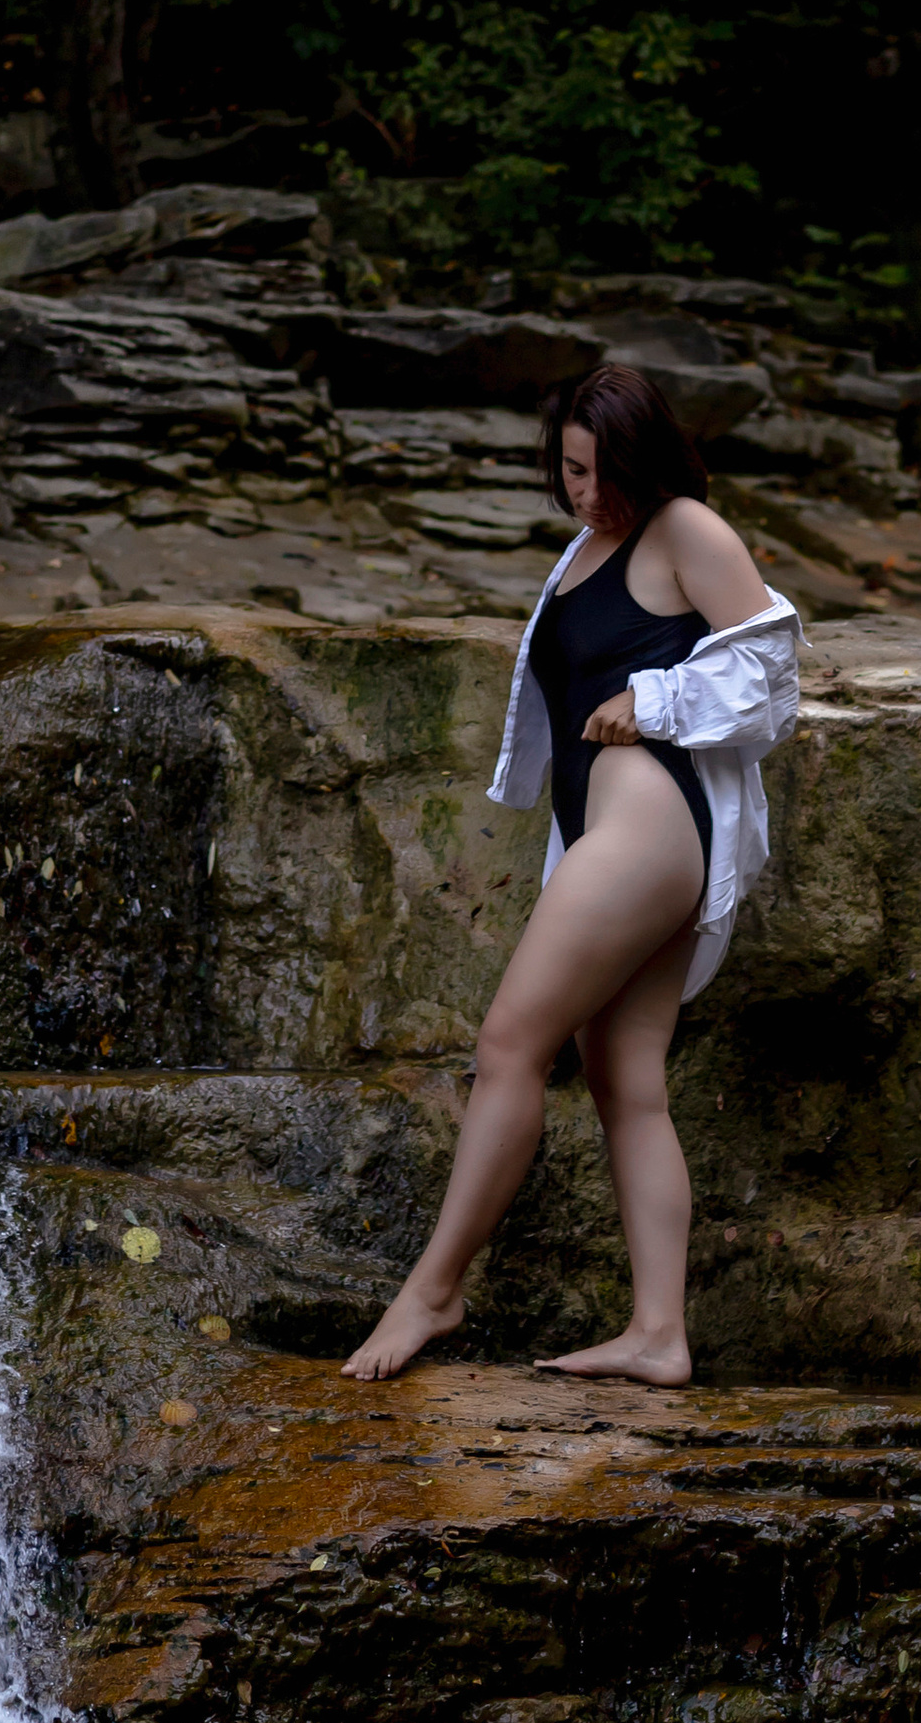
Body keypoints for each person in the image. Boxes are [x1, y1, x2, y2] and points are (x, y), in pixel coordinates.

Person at [342, 360, 802, 1387]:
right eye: (571, 470)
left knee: (510, 1042)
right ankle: (658, 1334)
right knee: (624, 1079)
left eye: (602, 472)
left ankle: (434, 1291)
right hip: (614, 827)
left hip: (652, 824)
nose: (587, 492)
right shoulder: (589, 544)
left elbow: (772, 676)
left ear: (647, 458)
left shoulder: (685, 528)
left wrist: (656, 700)